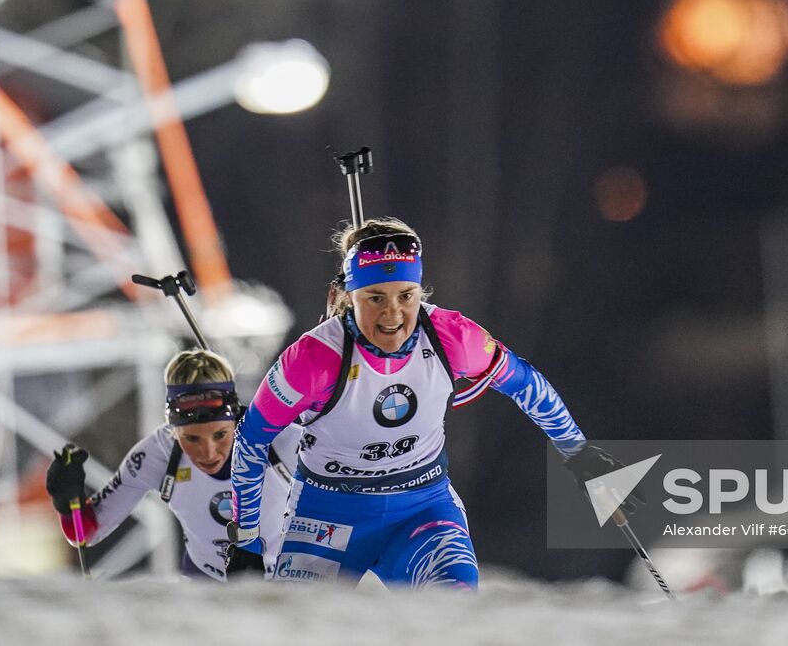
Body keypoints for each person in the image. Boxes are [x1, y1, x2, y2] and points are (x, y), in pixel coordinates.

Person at [227, 217, 639, 589]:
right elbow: (251, 441)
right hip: (327, 515)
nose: (393, 314)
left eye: (405, 295)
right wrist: (246, 539)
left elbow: (527, 386)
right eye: (375, 298)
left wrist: (580, 456)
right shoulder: (314, 359)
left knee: (454, 611)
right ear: (348, 295)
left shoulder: (450, 335)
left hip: (421, 510)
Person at [45, 349, 298, 581]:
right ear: (174, 431)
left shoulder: (281, 439)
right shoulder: (157, 453)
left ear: (234, 418)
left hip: (284, 579)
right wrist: (68, 504)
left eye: (220, 434)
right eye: (192, 438)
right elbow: (85, 534)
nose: (208, 452)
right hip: (206, 582)